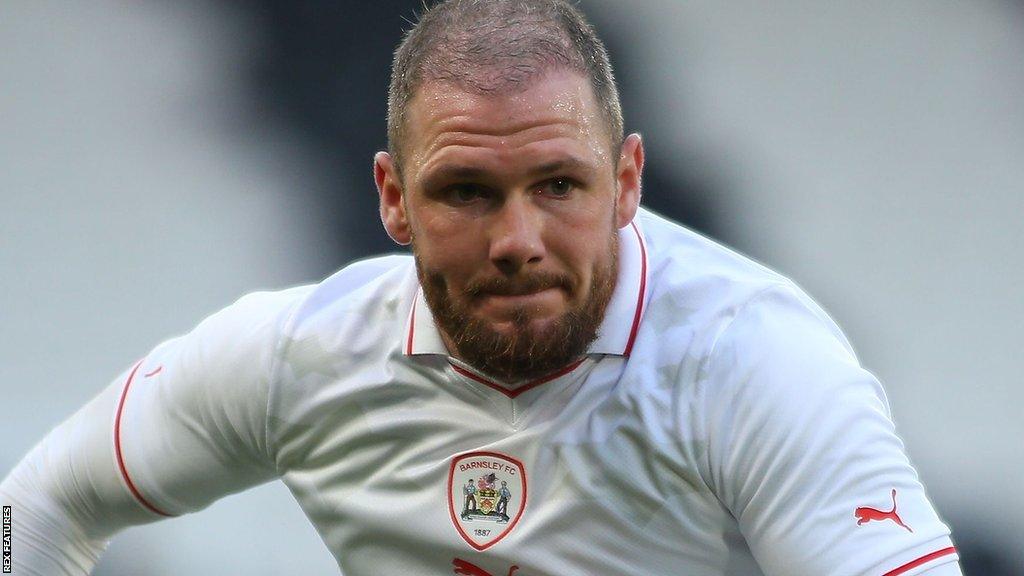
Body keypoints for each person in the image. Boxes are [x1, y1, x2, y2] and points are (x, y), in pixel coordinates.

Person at [0, 1, 962, 575]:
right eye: (466, 191)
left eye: (558, 186)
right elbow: (38, 504)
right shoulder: (301, 356)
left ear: (627, 181)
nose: (516, 240)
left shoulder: (751, 362)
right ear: (392, 198)